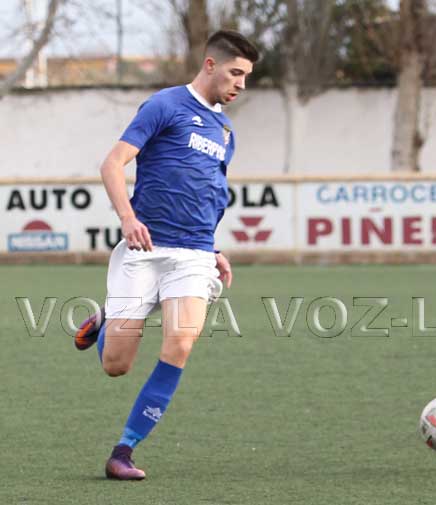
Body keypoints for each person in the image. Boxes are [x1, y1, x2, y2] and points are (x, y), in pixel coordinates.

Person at [74, 30, 258, 480]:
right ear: (210, 65)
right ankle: (106, 319)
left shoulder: (225, 131)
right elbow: (112, 164)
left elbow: (206, 192)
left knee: (180, 344)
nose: (241, 84)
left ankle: (123, 452)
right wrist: (127, 218)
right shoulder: (165, 105)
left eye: (247, 76)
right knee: (117, 365)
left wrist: (213, 247)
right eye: (235, 73)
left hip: (194, 255)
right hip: (146, 248)